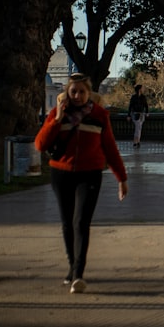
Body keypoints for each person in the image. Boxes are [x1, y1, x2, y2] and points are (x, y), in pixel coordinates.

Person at [34, 73, 128, 294]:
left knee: (81, 223)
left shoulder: (99, 116)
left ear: (89, 94)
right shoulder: (58, 114)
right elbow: (39, 145)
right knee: (67, 223)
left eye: (81, 91)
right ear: (67, 92)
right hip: (61, 173)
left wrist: (121, 178)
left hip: (90, 174)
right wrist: (56, 120)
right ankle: (71, 267)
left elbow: (110, 149)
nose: (77, 96)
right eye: (73, 91)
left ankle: (78, 273)